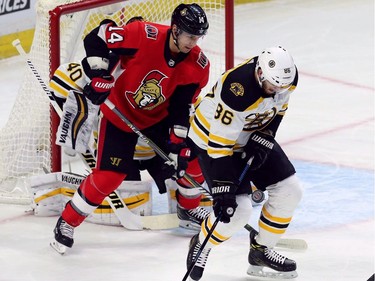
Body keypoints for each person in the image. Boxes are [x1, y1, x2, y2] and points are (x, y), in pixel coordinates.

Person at [50, 3, 211, 254]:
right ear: (175, 29)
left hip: (159, 119)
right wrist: (98, 75)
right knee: (108, 177)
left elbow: (181, 106)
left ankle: (188, 209)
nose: (194, 42)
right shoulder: (142, 34)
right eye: (190, 35)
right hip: (120, 115)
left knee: (192, 159)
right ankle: (67, 222)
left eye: (198, 36)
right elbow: (97, 37)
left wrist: (177, 142)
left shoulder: (197, 64)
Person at [184, 46, 303, 280]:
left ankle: (261, 250)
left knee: (290, 191)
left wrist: (266, 136)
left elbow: (278, 111)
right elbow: (219, 147)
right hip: (212, 138)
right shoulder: (237, 90)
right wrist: (222, 189)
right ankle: (201, 244)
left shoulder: (287, 79)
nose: (277, 90)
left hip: (249, 131)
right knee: (237, 212)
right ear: (260, 72)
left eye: (281, 86)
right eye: (272, 86)